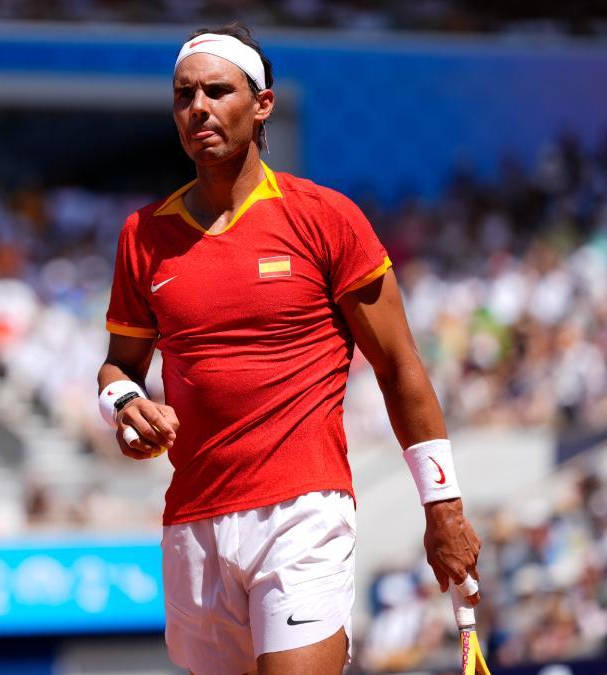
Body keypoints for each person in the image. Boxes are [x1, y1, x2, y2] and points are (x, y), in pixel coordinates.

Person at [96, 23, 482, 674]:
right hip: (193, 520)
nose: (199, 108)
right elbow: (118, 367)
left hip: (303, 511)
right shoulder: (143, 234)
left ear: (263, 103)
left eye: (218, 91)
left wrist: (443, 509)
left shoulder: (326, 218)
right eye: (184, 95)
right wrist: (124, 404)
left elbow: (400, 368)